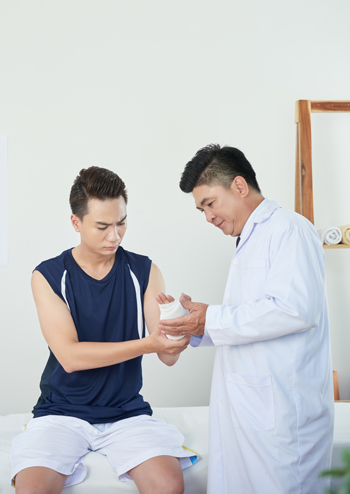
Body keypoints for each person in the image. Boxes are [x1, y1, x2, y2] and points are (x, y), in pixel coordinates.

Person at [158, 144, 334, 494]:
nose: (208, 217)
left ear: (239, 186)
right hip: (249, 413)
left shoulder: (289, 230)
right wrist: (198, 324)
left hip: (283, 417)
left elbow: (295, 309)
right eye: (201, 210)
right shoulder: (248, 241)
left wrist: (212, 319)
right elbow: (250, 320)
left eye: (209, 203)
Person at [10, 166, 197, 494]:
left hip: (126, 413)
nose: (115, 236)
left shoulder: (144, 271)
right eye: (102, 226)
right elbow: (69, 357)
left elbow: (166, 355)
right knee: (32, 490)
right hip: (62, 412)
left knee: (169, 485)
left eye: (121, 223)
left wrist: (176, 330)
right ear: (76, 223)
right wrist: (149, 344)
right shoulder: (48, 276)